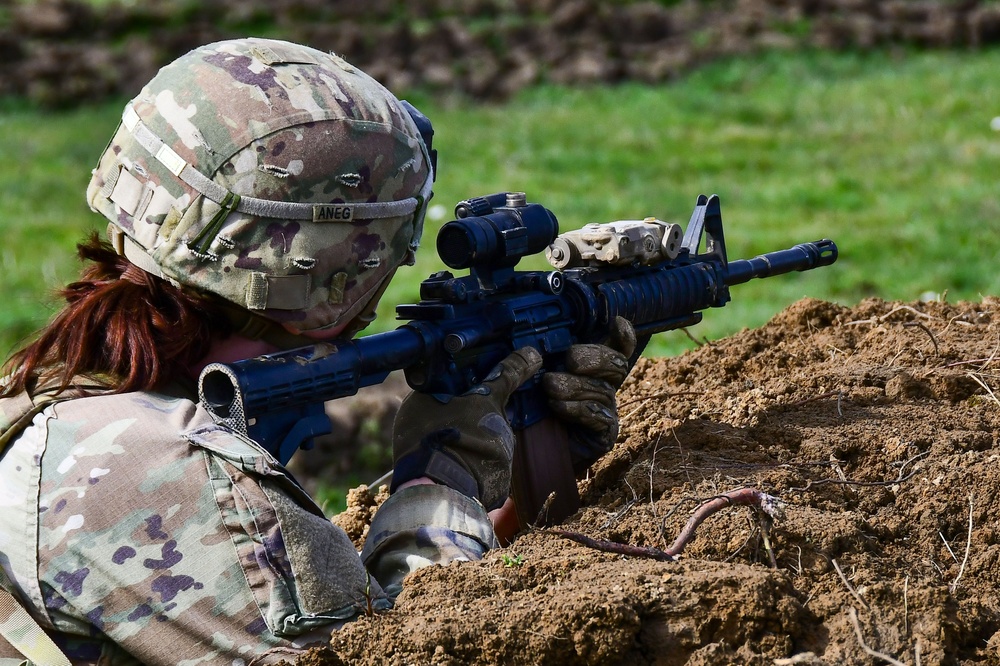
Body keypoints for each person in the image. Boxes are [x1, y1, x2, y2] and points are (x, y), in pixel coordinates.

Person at [0, 38, 634, 665]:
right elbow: (401, 655)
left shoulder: (52, 400)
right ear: (338, 279)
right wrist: (443, 480)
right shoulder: (179, 479)